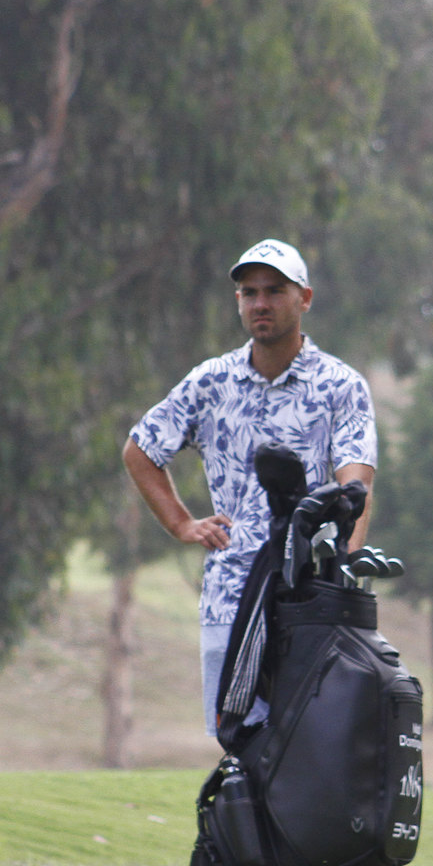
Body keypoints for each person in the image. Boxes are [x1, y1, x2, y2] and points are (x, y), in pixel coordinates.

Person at [123, 239, 378, 739]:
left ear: (304, 298)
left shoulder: (340, 386)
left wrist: (344, 566)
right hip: (228, 597)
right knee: (238, 744)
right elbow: (141, 450)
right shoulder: (211, 382)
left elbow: (356, 487)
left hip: (308, 598)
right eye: (248, 292)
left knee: (309, 747)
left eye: (274, 291)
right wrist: (181, 523)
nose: (260, 303)